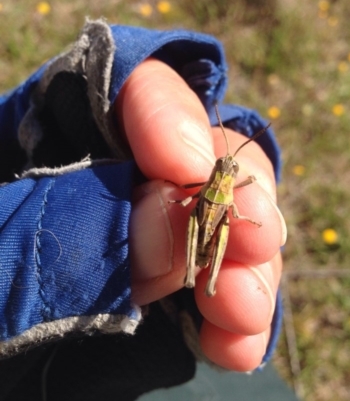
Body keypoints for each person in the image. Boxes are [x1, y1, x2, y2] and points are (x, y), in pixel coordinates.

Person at [0, 20, 286, 400]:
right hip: (196, 228)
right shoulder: (209, 181)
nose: (226, 169)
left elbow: (229, 204)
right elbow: (187, 195)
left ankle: (199, 278)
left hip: (213, 235)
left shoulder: (233, 185)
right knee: (188, 217)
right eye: (224, 168)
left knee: (228, 236)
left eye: (229, 169)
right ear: (219, 171)